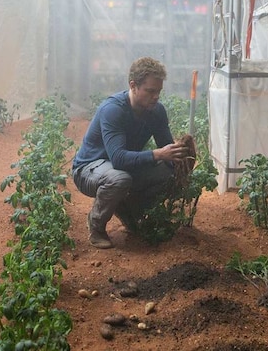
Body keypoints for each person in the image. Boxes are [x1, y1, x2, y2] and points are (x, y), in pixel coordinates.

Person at [72, 57, 189, 249]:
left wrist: (180, 153)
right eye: (150, 91)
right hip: (89, 168)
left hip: (123, 168)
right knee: (119, 179)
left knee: (170, 172)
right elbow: (118, 159)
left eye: (158, 91)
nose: (156, 96)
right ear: (133, 85)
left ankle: (130, 211)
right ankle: (96, 226)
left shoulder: (156, 111)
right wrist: (158, 154)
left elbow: (166, 149)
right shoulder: (114, 110)